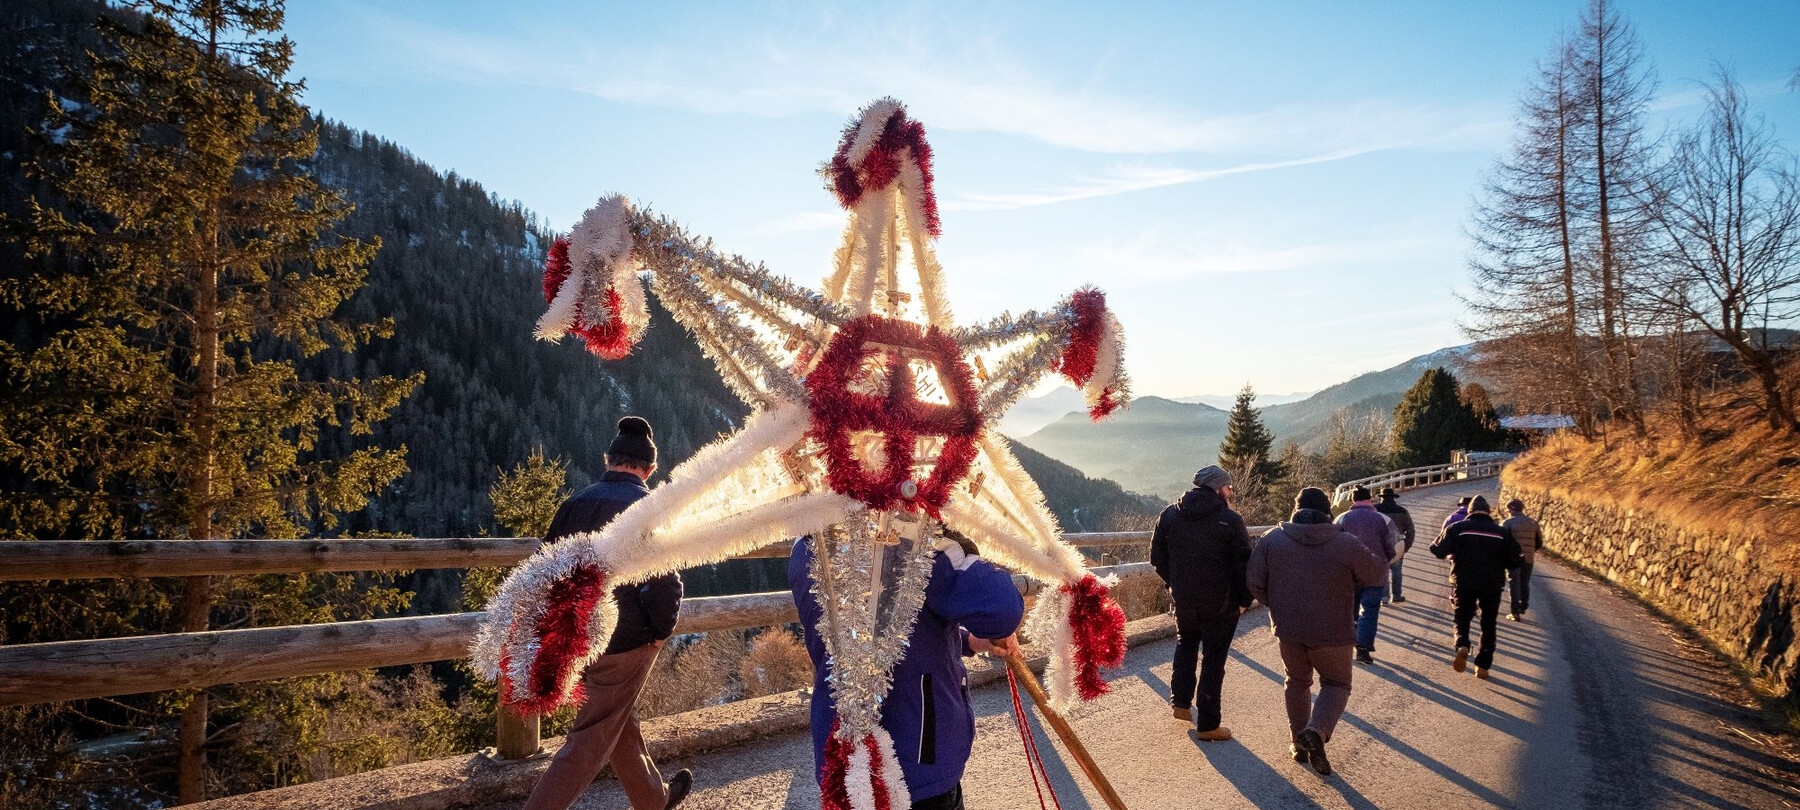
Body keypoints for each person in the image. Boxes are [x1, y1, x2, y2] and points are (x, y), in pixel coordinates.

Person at [524, 417, 692, 810]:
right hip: (626, 639)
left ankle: (654, 800)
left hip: (575, 636)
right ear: (650, 469)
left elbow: (543, 571)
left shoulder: (574, 503)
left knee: (616, 716)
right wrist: (661, 630)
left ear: (609, 459)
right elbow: (665, 581)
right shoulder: (646, 508)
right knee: (591, 735)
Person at [790, 531, 1024, 810]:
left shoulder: (808, 541)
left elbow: (875, 635)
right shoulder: (916, 541)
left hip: (845, 761)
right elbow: (1002, 609)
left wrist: (968, 641)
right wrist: (952, 535)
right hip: (918, 761)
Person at [1247, 487, 1387, 777]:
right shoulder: (1346, 542)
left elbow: (1254, 581)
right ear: (1328, 512)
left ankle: (1299, 744)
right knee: (1336, 684)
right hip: (1333, 629)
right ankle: (1316, 731)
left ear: (1295, 509)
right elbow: (1376, 574)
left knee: (1296, 682)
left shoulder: (1272, 539)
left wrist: (1277, 603)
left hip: (1289, 629)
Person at [1150, 464, 1253, 740]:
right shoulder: (1230, 520)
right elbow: (1245, 565)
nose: (1231, 493)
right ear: (1218, 488)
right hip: (1221, 603)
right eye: (1229, 488)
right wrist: (1244, 600)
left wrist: (1174, 583)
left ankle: (1181, 702)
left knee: (1186, 644)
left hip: (1184, 599)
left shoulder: (1170, 515)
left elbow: (1157, 557)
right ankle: (1208, 725)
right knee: (1214, 656)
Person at [1429, 496, 1524, 679]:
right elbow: (1517, 559)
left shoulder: (1457, 528)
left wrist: (1453, 552)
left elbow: (1437, 549)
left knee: (1462, 616)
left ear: (1470, 511)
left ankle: (1462, 644)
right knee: (1488, 624)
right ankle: (1482, 666)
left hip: (1464, 580)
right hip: (1492, 584)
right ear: (1489, 512)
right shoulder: (1501, 532)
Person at [1334, 486, 1399, 665]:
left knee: (1349, 610)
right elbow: (1390, 547)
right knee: (1369, 611)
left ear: (1353, 501)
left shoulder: (1342, 518)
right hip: (1375, 572)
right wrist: (1385, 560)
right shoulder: (1382, 519)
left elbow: (1333, 543)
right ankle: (1363, 649)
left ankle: (1346, 644)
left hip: (1348, 573)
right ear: (1369, 499)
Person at [1374, 487, 1416, 604]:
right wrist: (1406, 546)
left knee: (1383, 571)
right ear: (1393, 498)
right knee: (1397, 571)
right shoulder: (1402, 511)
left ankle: (1384, 597)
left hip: (1380, 545)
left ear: (1381, 498)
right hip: (1397, 544)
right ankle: (1396, 595)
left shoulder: (1375, 510)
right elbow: (1410, 531)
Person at [1503, 499, 1543, 621]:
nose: (1508, 512)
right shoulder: (1533, 523)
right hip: (1528, 558)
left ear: (1512, 509)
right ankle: (1523, 606)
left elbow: (1502, 541)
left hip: (1513, 558)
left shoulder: (1507, 523)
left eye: (1508, 509)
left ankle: (1514, 612)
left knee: (1514, 583)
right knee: (1524, 582)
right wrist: (1530, 551)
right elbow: (1539, 542)